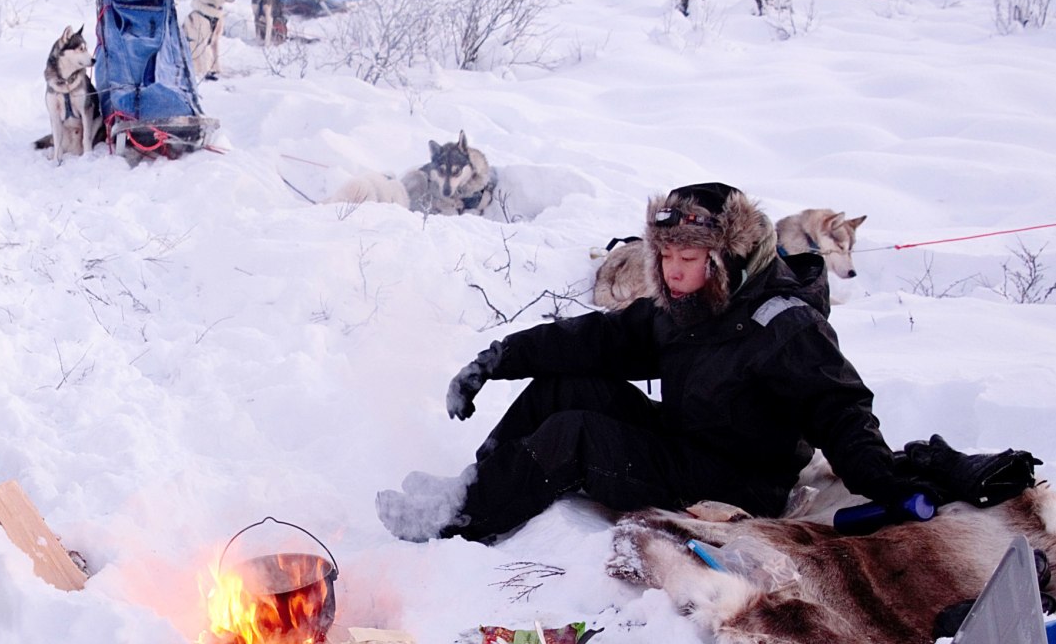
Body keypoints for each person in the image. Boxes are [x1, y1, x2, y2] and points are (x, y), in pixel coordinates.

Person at [390, 182, 918, 545]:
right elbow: (597, 339)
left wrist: (884, 478)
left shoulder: (783, 325)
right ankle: (472, 488)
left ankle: (464, 522)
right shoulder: (689, 305)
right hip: (687, 440)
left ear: (726, 259)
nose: (672, 272)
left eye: (688, 260)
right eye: (664, 257)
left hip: (738, 482)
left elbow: (840, 407)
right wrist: (497, 359)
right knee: (565, 387)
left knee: (577, 435)